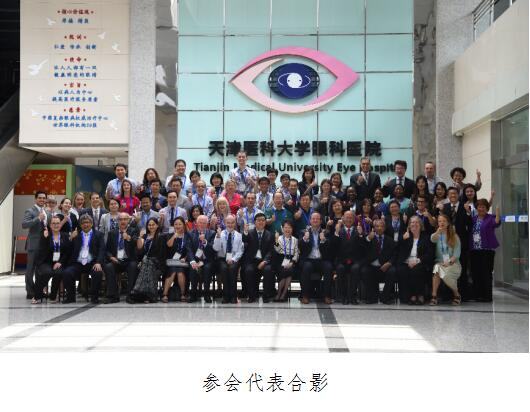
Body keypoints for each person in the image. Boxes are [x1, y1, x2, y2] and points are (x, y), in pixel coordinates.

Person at [62, 214, 105, 303]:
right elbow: (68, 250)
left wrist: (98, 262)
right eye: (83, 223)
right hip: (77, 263)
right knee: (67, 272)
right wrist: (71, 238)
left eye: (87, 222)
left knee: (97, 273)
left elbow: (102, 250)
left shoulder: (99, 235)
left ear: (91, 224)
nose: (85, 224)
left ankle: (94, 297)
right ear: (80, 225)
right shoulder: (76, 234)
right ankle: (70, 297)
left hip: (92, 263)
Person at [32, 216, 72, 304]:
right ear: (50, 225)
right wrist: (45, 239)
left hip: (59, 262)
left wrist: (60, 262)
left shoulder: (65, 236)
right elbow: (42, 251)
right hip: (46, 262)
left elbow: (67, 252)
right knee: (47, 272)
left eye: (57, 223)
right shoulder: (45, 235)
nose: (56, 225)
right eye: (53, 223)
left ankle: (53, 296)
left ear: (60, 224)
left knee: (58, 273)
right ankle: (37, 294)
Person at [396, 215, 434, 305]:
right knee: (402, 270)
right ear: (409, 225)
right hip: (406, 261)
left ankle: (419, 295)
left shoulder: (426, 237)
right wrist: (403, 239)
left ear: (420, 225)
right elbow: (398, 250)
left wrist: (417, 260)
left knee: (416, 270)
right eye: (412, 222)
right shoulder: (406, 236)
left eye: (417, 222)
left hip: (420, 261)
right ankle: (409, 295)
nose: (414, 224)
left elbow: (430, 254)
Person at [469, 199, 501, 302]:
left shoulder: (490, 217)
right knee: (476, 273)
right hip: (474, 250)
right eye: (479, 206)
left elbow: (496, 222)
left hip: (487, 250)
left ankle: (487, 296)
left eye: (483, 207)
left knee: (486, 273)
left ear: (487, 208)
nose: (481, 208)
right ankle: (477, 295)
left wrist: (497, 212)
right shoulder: (473, 219)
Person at [443, 187, 472, 300]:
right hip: (448, 242)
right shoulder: (445, 207)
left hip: (461, 242)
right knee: (448, 267)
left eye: (454, 193)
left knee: (462, 268)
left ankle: (463, 294)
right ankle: (448, 294)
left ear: (458, 194)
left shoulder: (465, 206)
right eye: (450, 194)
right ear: (448, 196)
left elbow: (470, 224)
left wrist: (468, 212)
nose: (453, 195)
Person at [129, 217, 166, 303]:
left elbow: (162, 254)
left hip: (157, 262)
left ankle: (137, 292)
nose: (151, 226)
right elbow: (139, 249)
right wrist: (140, 237)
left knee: (147, 263)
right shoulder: (145, 236)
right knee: (146, 264)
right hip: (144, 262)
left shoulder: (161, 237)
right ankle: (150, 295)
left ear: (157, 225)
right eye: (149, 225)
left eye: (153, 225)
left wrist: (149, 260)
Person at [103, 212, 138, 304]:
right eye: (120, 219)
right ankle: (113, 296)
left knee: (133, 266)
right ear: (117, 221)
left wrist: (129, 238)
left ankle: (130, 295)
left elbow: (137, 245)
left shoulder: (133, 231)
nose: (123, 221)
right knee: (109, 267)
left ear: (128, 220)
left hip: (129, 260)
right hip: (116, 260)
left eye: (125, 219)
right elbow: (107, 250)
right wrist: (111, 257)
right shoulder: (112, 233)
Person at [22, 191, 51, 299]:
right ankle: (30, 291)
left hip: (44, 245)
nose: (42, 200)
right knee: (30, 269)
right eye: (40, 198)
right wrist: (38, 218)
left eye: (44, 198)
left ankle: (39, 290)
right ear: (35, 199)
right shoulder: (30, 211)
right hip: (33, 244)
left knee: (42, 269)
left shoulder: (47, 212)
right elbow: (24, 224)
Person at [361, 219, 397, 304]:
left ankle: (385, 297)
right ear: (374, 228)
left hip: (384, 266)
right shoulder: (369, 238)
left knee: (392, 271)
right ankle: (372, 297)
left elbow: (395, 254)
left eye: (381, 226)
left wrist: (389, 263)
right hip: (371, 266)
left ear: (384, 228)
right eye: (377, 226)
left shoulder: (390, 240)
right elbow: (362, 249)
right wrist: (368, 239)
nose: (379, 228)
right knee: (364, 271)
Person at [332, 211, 365, 305]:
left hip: (355, 260)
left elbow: (363, 248)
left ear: (354, 219)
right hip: (341, 260)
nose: (349, 219)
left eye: (351, 218)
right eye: (347, 217)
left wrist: (361, 235)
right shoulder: (339, 230)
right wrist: (336, 233)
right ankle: (343, 296)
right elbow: (333, 247)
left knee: (356, 268)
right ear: (343, 219)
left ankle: (352, 296)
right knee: (340, 268)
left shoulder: (358, 230)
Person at [299, 212, 333, 304]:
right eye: (313, 219)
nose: (315, 220)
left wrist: (323, 240)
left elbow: (329, 249)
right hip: (309, 259)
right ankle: (305, 296)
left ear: (321, 221)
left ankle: (327, 296)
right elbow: (300, 247)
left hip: (321, 259)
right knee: (306, 267)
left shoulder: (326, 232)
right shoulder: (303, 232)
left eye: (317, 219)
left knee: (328, 267)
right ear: (310, 221)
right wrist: (305, 239)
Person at [430, 214, 462, 306]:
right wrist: (438, 232)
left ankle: (456, 294)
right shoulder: (437, 235)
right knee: (437, 269)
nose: (442, 223)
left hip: (453, 264)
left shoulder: (454, 236)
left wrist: (449, 262)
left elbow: (456, 254)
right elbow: (432, 239)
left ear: (448, 223)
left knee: (444, 273)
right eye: (440, 221)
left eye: (444, 221)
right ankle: (434, 296)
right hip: (440, 263)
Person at [242, 213, 275, 303]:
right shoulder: (249, 233)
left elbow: (271, 251)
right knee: (248, 270)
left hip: (264, 261)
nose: (261, 222)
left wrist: (264, 261)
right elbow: (244, 240)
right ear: (255, 222)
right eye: (259, 220)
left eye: (263, 220)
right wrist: (245, 232)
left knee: (268, 270)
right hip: (252, 261)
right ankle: (251, 295)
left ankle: (266, 295)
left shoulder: (270, 234)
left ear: (265, 222)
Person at [213, 215, 244, 304]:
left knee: (233, 269)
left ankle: (233, 296)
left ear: (235, 223)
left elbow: (240, 251)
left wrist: (233, 259)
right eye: (228, 223)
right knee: (224, 269)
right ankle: (226, 296)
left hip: (234, 258)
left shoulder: (239, 235)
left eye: (232, 223)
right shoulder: (220, 234)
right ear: (225, 223)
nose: (230, 225)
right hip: (222, 258)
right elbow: (216, 248)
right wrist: (218, 237)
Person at [163, 216, 193, 303]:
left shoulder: (188, 236)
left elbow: (190, 249)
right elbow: (168, 245)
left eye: (180, 224)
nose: (178, 226)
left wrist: (185, 258)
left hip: (182, 262)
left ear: (183, 225)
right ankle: (165, 294)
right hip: (171, 262)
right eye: (176, 224)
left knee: (180, 272)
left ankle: (183, 294)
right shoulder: (169, 235)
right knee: (172, 271)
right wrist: (174, 236)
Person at [188, 215, 216, 303]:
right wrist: (192, 261)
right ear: (196, 223)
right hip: (195, 259)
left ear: (207, 224)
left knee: (207, 268)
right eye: (200, 222)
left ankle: (207, 294)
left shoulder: (212, 233)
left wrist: (204, 242)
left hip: (207, 259)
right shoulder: (190, 233)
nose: (202, 225)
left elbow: (213, 250)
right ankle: (193, 294)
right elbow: (189, 249)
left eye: (204, 223)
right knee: (193, 268)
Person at [273, 220, 299, 302]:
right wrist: (276, 240)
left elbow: (296, 253)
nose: (287, 229)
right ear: (282, 229)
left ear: (292, 229)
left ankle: (282, 294)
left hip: (291, 261)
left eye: (289, 228)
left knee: (289, 271)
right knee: (285, 272)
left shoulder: (295, 240)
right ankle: (280, 294)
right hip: (280, 260)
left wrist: (292, 262)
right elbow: (278, 250)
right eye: (286, 227)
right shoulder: (279, 238)